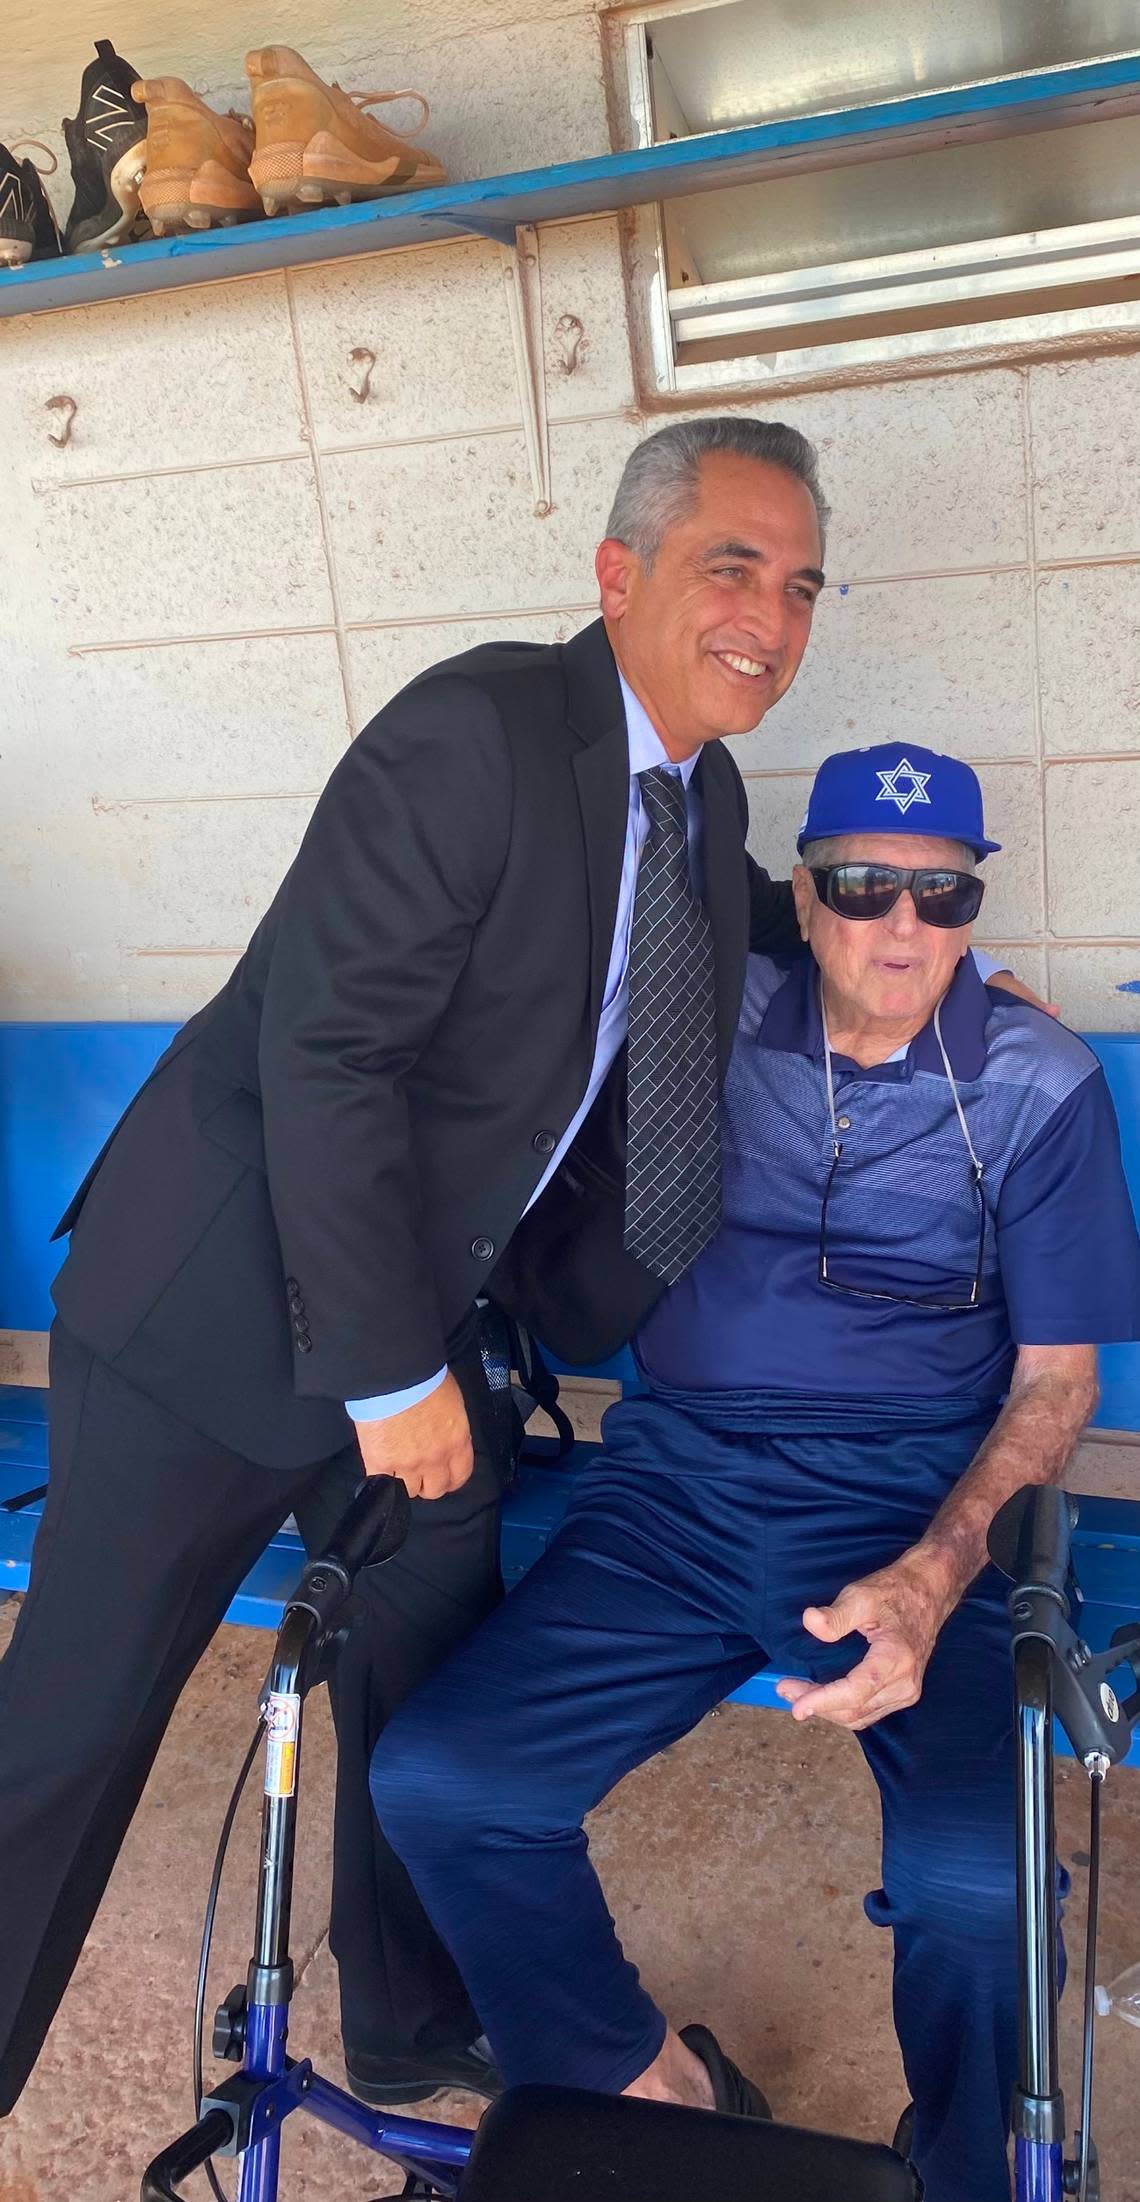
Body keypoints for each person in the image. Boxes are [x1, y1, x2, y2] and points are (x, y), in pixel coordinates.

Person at [0, 417, 1040, 2119]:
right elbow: (325, 1060)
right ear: (617, 574)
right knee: (68, 1735)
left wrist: (933, 965)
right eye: (732, 567)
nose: (770, 618)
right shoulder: (470, 736)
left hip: (421, 1323)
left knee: (428, 1681)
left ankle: (414, 2019)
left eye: (799, 585)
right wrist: (392, 1374)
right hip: (213, 1315)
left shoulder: (698, 791)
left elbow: (745, 922)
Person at [370, 741, 1140, 2202]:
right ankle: (639, 2085)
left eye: (942, 894)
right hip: (676, 1491)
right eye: (862, 886)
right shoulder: (705, 1023)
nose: (903, 927)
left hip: (919, 1504)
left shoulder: (1039, 1082)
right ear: (802, 892)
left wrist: (936, 1568)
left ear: (975, 905)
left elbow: (1058, 1384)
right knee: (446, 1777)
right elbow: (521, 994)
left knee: (974, 1884)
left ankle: (975, 2168)